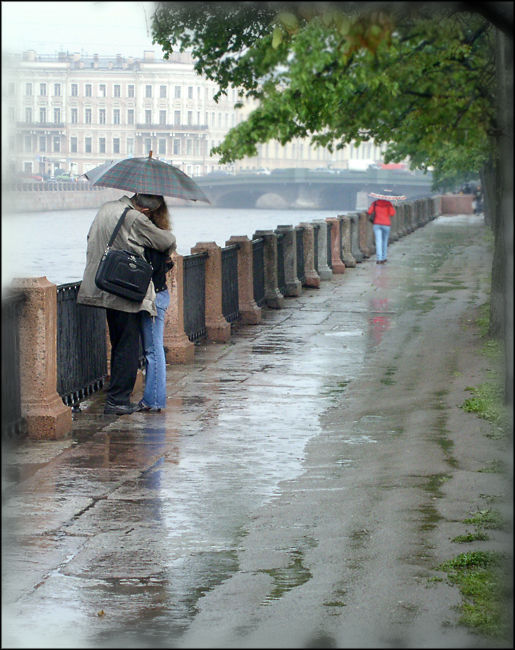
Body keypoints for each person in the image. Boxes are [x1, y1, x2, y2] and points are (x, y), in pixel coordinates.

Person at [77, 194, 176, 415]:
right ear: (145, 210)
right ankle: (117, 400)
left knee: (118, 340)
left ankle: (116, 398)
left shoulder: (106, 207)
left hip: (103, 281)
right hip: (124, 287)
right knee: (127, 347)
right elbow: (168, 241)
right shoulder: (134, 217)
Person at [137, 201, 174, 413]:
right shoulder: (164, 238)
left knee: (153, 349)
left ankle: (154, 400)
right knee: (153, 348)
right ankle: (153, 399)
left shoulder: (151, 240)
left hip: (153, 298)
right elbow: (167, 264)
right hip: (160, 294)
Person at [368, 196, 396, 264]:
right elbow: (392, 214)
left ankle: (379, 259)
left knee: (378, 241)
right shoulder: (388, 203)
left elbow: (369, 212)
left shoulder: (375, 203)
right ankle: (384, 258)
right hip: (386, 225)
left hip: (377, 224)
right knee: (384, 241)